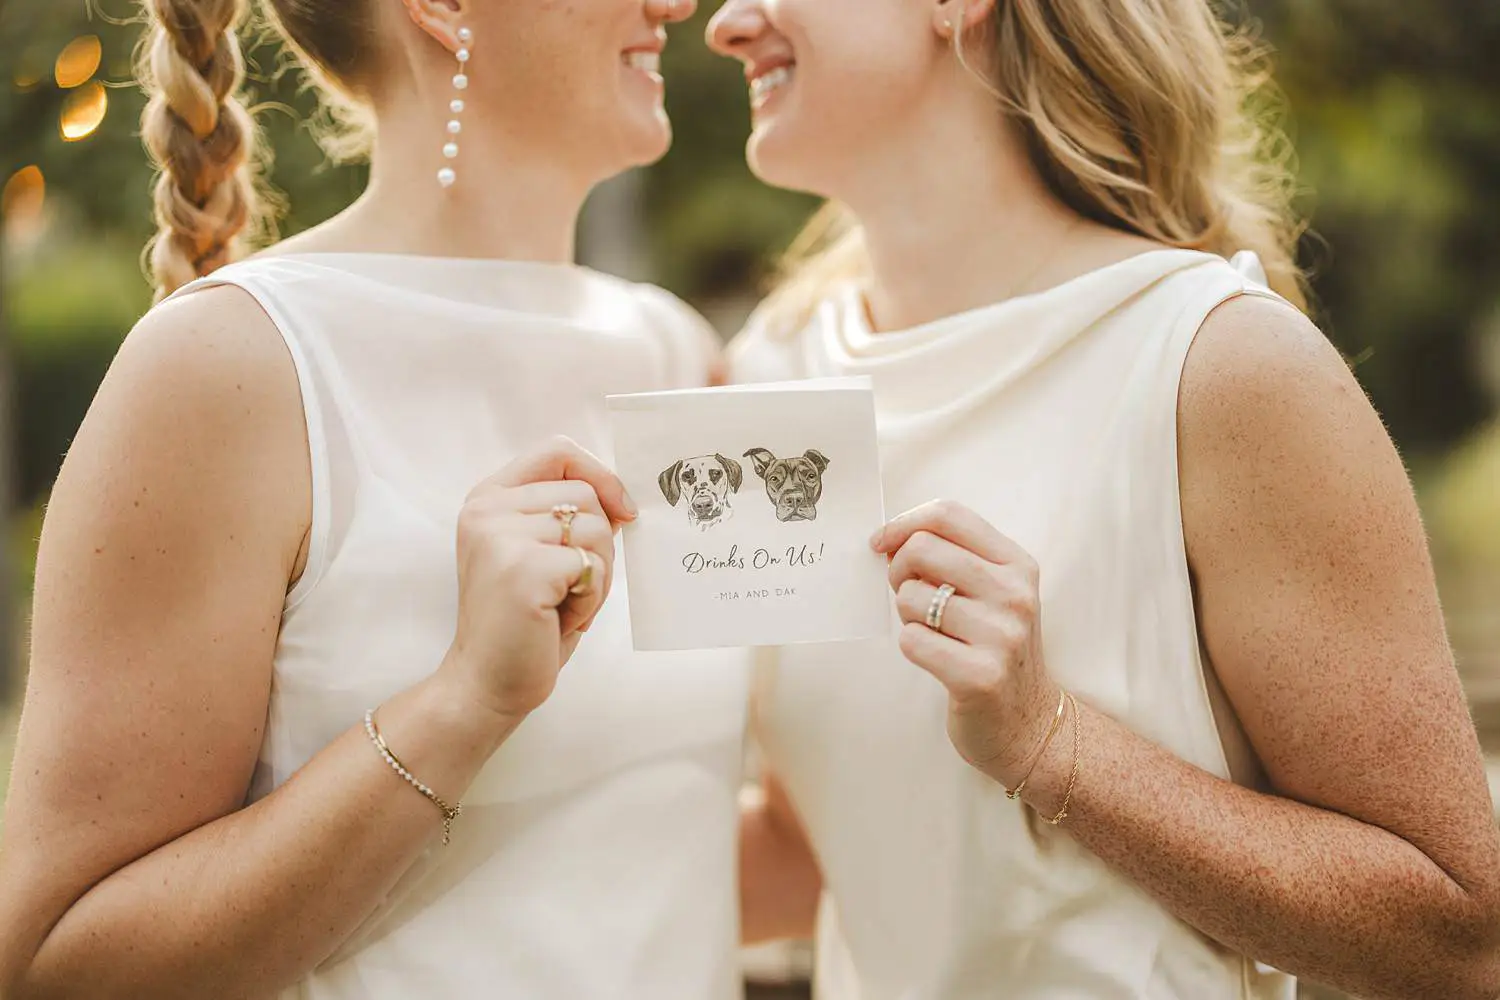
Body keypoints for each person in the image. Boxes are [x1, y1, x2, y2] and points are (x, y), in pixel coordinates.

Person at [709, 0, 1500, 997]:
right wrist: (473, 741)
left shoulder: (1220, 363)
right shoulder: (769, 378)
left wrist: (1050, 743)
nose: (725, 24)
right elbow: (807, 844)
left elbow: (1461, 936)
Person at [0, 0, 750, 997]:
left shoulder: (679, 356)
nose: (675, 4)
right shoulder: (231, 365)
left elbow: (648, 847)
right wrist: (465, 701)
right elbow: (54, 962)